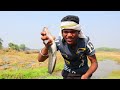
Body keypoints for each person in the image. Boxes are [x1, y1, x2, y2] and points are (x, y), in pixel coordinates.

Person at [38, 15, 98, 79]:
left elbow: (94, 63)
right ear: (62, 33)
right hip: (67, 74)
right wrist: (47, 46)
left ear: (78, 32)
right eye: (65, 32)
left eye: (73, 32)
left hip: (83, 74)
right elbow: (40, 59)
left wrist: (86, 75)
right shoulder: (58, 43)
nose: (69, 35)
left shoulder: (85, 43)